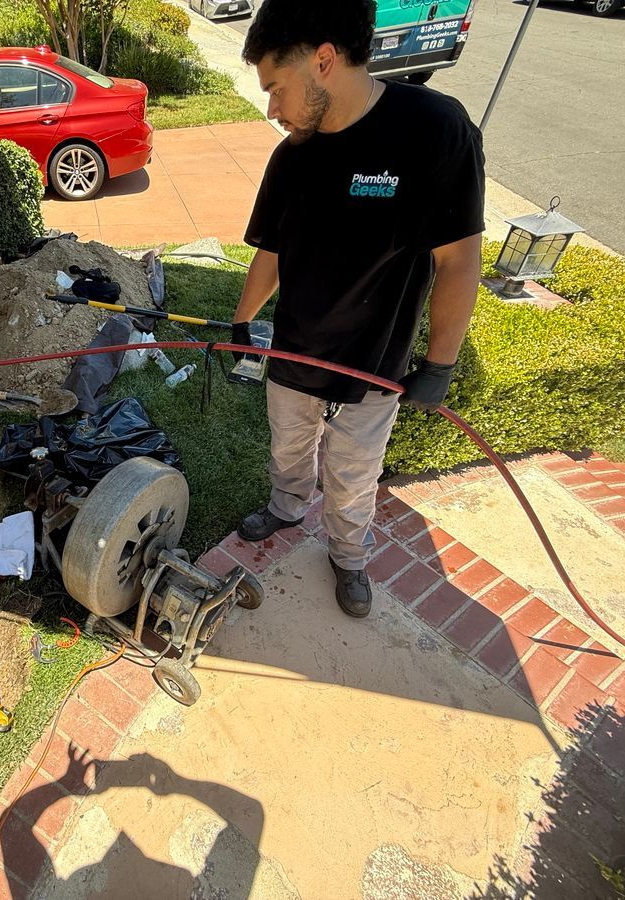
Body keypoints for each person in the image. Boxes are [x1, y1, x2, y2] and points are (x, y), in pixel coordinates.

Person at [232, 0, 485, 618]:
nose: (271, 107)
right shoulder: (294, 154)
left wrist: (441, 362)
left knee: (352, 473)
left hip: (374, 362)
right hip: (295, 347)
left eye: (276, 87)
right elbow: (271, 250)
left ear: (324, 60)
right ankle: (288, 505)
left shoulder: (435, 129)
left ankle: (348, 554)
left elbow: (458, 260)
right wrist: (243, 321)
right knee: (289, 446)